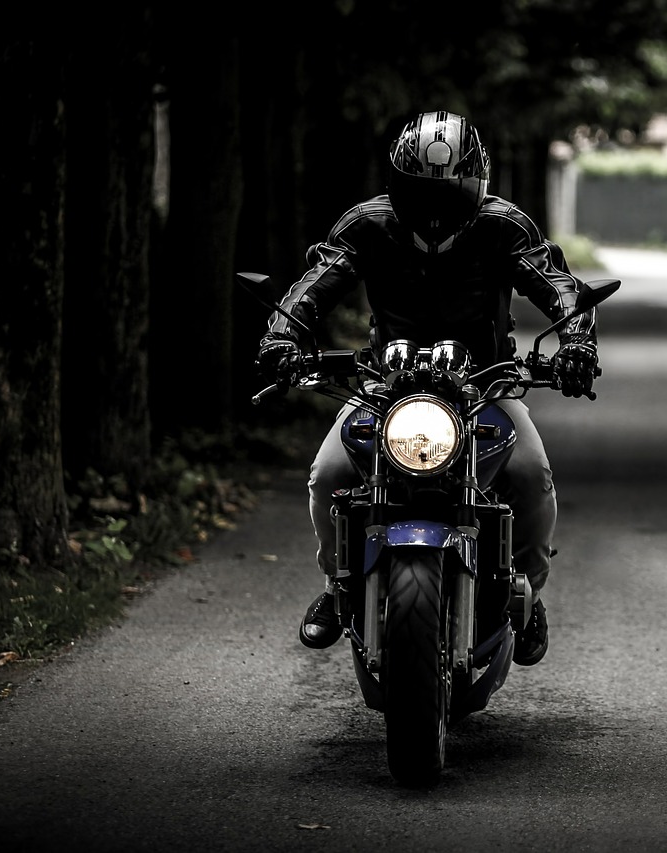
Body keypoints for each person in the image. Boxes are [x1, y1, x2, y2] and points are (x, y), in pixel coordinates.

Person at [255, 110, 600, 667]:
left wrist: (577, 341)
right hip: (383, 387)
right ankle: (338, 584)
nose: (435, 209)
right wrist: (281, 335)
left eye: (449, 192)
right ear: (397, 181)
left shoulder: (504, 227)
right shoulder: (366, 225)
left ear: (475, 184)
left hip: (485, 386)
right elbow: (314, 285)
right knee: (330, 475)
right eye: (421, 191)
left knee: (531, 476)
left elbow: (557, 285)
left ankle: (528, 593)